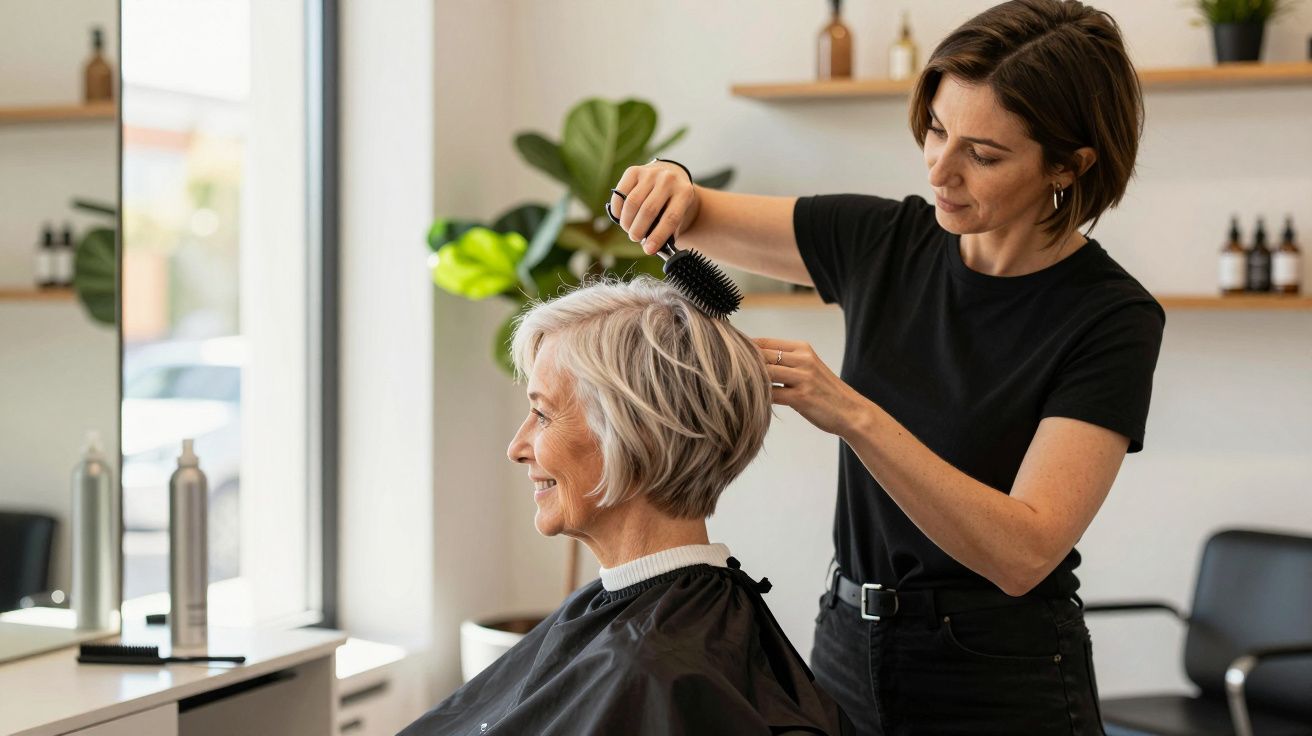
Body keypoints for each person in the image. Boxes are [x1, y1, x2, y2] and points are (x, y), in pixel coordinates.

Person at [607, 1, 1163, 733]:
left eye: (984, 154)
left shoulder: (1109, 317)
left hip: (999, 674)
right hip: (845, 643)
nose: (940, 167)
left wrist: (853, 414)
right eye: (936, 128)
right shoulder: (884, 240)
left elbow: (1023, 552)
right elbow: (689, 210)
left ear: (1068, 164)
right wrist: (666, 182)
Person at [400, 277, 849, 735]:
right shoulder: (667, 627)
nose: (516, 447)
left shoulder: (654, 670)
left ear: (635, 435)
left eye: (542, 414)